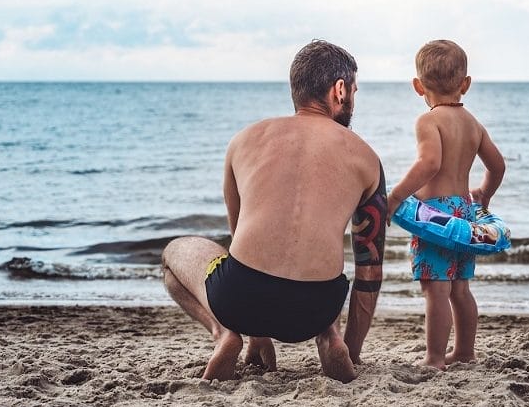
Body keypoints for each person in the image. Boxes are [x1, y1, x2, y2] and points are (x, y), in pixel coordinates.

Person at [161, 40, 387, 383]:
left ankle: (225, 334)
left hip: (241, 299)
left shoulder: (245, 139)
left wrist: (257, 333)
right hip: (316, 310)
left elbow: (240, 239)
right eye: (354, 91)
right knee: (326, 260)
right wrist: (352, 351)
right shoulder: (366, 158)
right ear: (339, 90)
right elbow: (369, 270)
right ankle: (331, 339)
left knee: (173, 254)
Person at [387, 40, 505, 369]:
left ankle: (435, 358)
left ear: (418, 86)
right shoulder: (473, 124)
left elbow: (429, 164)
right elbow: (498, 166)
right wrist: (483, 193)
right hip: (464, 215)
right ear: (465, 84)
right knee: (460, 288)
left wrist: (395, 197)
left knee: (435, 288)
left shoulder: (428, 121)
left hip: (435, 217)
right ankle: (465, 352)